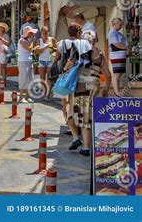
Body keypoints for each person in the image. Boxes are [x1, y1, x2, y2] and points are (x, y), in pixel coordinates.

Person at [69, 30, 111, 156]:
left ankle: (85, 147)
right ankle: (81, 140)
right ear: (95, 39)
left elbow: (70, 66)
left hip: (81, 85)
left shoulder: (78, 50)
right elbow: (108, 74)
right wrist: (105, 90)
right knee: (89, 113)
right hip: (95, 84)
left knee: (81, 115)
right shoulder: (99, 54)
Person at [54, 23, 93, 151]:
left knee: (68, 107)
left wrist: (63, 70)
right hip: (87, 81)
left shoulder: (62, 43)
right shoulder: (86, 44)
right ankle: (82, 142)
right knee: (83, 112)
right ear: (79, 32)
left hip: (69, 80)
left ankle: (76, 137)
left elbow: (59, 59)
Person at [34, 26, 57, 101]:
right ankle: (44, 93)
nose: (45, 34)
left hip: (50, 60)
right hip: (42, 61)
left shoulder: (52, 39)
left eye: (46, 32)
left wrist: (52, 48)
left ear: (48, 32)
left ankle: (47, 95)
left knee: (49, 78)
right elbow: (37, 51)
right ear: (41, 33)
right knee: (42, 79)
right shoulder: (39, 41)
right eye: (43, 33)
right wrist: (45, 47)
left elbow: (57, 49)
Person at [108, 17, 129, 96]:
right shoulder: (112, 33)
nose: (121, 26)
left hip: (121, 55)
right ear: (115, 24)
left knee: (119, 74)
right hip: (116, 55)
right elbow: (116, 44)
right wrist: (126, 48)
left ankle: (117, 91)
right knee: (116, 74)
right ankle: (116, 92)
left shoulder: (119, 33)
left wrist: (127, 49)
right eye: (120, 25)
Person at [18, 26, 38, 103]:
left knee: (30, 79)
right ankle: (21, 97)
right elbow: (29, 49)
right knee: (23, 79)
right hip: (23, 61)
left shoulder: (27, 40)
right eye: (31, 33)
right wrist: (33, 41)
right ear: (27, 33)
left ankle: (27, 97)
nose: (33, 34)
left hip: (28, 61)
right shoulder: (22, 40)